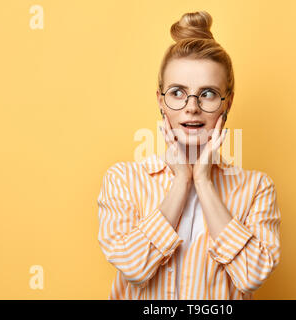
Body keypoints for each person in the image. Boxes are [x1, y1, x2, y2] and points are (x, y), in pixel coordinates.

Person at [97, 11, 281, 300]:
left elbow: (252, 276)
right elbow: (132, 267)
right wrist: (182, 179)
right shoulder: (122, 180)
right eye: (177, 92)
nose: (191, 107)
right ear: (161, 100)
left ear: (227, 102)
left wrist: (204, 182)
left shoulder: (257, 188)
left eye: (207, 93)